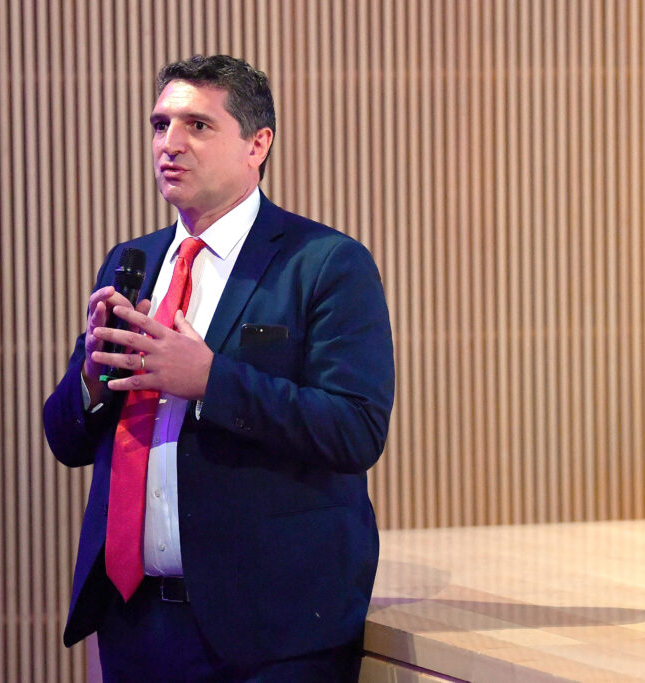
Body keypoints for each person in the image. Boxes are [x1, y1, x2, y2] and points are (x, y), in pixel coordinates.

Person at [43, 54, 394, 682]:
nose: (169, 144)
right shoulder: (131, 261)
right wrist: (92, 380)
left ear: (257, 144)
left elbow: (355, 429)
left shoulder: (325, 263)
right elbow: (66, 440)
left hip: (271, 633)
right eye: (160, 124)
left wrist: (211, 380)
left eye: (197, 126)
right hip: (134, 623)